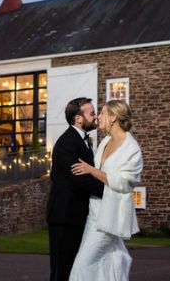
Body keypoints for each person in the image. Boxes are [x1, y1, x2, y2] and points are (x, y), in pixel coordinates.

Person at [69, 100, 143, 281]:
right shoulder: (105, 142)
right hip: (93, 212)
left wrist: (91, 170)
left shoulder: (131, 149)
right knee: (106, 260)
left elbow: (125, 183)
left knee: (83, 263)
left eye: (102, 113)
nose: (97, 116)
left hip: (110, 216)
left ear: (113, 118)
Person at [47, 97, 105, 281]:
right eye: (92, 113)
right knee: (62, 271)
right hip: (65, 216)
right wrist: (110, 189)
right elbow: (81, 179)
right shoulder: (67, 143)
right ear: (79, 119)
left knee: (74, 269)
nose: (95, 116)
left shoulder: (81, 140)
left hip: (76, 215)